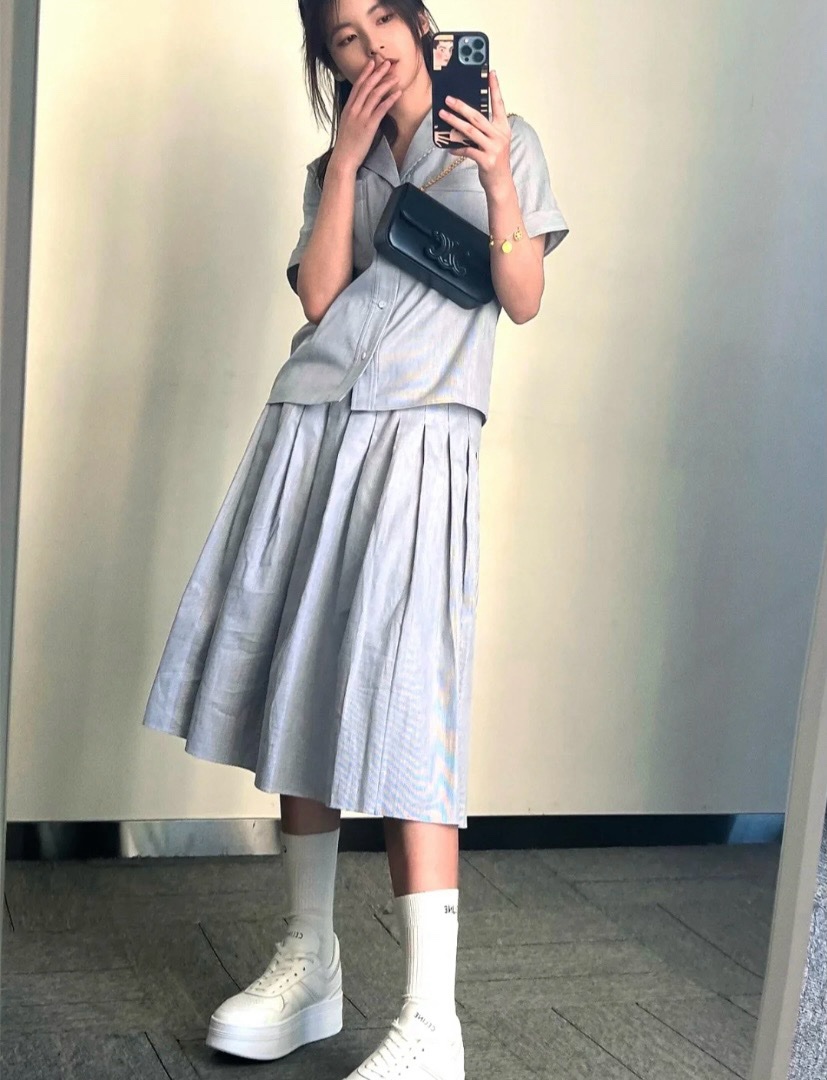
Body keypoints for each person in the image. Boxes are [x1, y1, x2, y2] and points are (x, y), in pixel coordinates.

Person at [142, 1, 569, 1077]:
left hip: (420, 438)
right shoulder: (336, 163)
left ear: (422, 25)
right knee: (304, 679)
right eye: (344, 34)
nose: (372, 42)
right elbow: (322, 298)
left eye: (385, 14)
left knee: (411, 703)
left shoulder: (504, 138)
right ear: (328, 61)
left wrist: (497, 180)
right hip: (312, 426)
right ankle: (310, 959)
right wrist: (342, 167)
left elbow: (522, 298)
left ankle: (431, 1019)